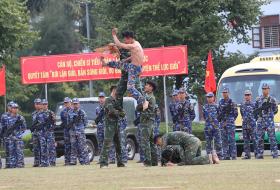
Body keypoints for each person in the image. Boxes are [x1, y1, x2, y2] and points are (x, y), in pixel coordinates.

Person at [101, 28, 148, 110]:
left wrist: (114, 35)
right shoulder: (137, 43)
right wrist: (126, 60)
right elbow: (135, 55)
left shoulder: (134, 45)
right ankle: (105, 64)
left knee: (130, 88)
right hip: (133, 66)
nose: (125, 41)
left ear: (129, 38)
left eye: (125, 40)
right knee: (121, 64)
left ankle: (143, 101)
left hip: (134, 69)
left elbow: (119, 44)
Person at [99, 85, 125, 168]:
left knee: (118, 144)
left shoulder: (116, 101)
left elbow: (123, 113)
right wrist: (118, 112)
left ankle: (120, 162)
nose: (118, 92)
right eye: (117, 90)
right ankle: (103, 163)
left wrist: (118, 112)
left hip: (116, 124)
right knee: (107, 143)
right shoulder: (108, 100)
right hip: (109, 125)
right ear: (114, 90)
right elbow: (112, 111)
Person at [255, 83, 278, 159]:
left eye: (266, 89)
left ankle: (275, 154)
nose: (264, 90)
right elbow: (256, 110)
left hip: (269, 122)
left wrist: (269, 116)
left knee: (272, 138)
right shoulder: (258, 99)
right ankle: (259, 155)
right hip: (260, 121)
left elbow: (275, 110)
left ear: (269, 89)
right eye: (263, 89)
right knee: (259, 139)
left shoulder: (272, 99)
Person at [138, 81, 158, 167]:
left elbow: (149, 112)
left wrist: (141, 109)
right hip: (148, 123)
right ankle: (154, 161)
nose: (145, 86)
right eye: (145, 85)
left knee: (145, 142)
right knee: (151, 142)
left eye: (147, 85)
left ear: (151, 88)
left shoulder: (151, 98)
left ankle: (147, 161)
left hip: (146, 123)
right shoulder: (146, 97)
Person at [1, 103, 26, 168]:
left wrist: (19, 135)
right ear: (11, 109)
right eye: (14, 108)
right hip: (9, 138)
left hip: (18, 138)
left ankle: (20, 164)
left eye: (16, 108)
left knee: (19, 151)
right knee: (10, 151)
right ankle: (11, 164)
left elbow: (24, 128)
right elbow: (3, 127)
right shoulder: (6, 117)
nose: (15, 109)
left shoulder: (21, 118)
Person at [95, 92, 116, 164]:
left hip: (107, 128)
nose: (101, 99)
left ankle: (112, 158)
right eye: (100, 98)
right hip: (100, 128)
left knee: (109, 143)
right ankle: (102, 159)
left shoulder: (108, 106)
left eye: (102, 98)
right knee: (100, 144)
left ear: (105, 98)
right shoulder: (97, 108)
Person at [218, 87, 238, 160]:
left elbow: (236, 113)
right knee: (224, 140)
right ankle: (226, 155)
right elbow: (218, 112)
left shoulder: (232, 102)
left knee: (232, 139)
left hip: (230, 123)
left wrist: (230, 120)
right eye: (223, 93)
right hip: (223, 123)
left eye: (226, 92)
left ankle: (233, 155)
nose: (224, 94)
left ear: (228, 93)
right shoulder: (220, 102)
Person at [68, 98, 90, 165]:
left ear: (79, 104)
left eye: (76, 104)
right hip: (72, 132)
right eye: (74, 104)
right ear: (72, 104)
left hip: (80, 132)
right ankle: (73, 161)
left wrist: (81, 129)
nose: (75, 105)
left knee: (82, 147)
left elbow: (86, 123)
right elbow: (68, 122)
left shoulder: (82, 112)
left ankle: (85, 161)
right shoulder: (70, 112)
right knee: (73, 146)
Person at [202, 92, 222, 162]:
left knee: (218, 142)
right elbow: (204, 116)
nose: (209, 98)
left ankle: (219, 156)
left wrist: (215, 122)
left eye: (210, 97)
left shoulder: (217, 106)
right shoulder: (205, 107)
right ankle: (209, 157)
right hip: (208, 127)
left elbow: (220, 115)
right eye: (208, 97)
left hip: (216, 126)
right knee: (208, 142)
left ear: (213, 98)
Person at [240, 90, 257, 159]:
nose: (247, 96)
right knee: (246, 141)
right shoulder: (242, 105)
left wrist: (252, 121)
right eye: (246, 95)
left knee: (255, 140)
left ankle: (257, 154)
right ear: (244, 96)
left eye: (248, 95)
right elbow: (242, 113)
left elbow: (256, 114)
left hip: (252, 125)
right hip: (245, 125)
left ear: (251, 96)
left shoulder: (254, 104)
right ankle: (247, 155)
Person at [41, 99, 56, 166]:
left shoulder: (51, 113)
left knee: (51, 148)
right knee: (43, 148)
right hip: (42, 133)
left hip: (49, 132)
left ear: (47, 105)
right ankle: (44, 162)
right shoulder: (39, 114)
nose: (44, 105)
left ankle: (52, 162)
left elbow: (54, 123)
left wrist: (51, 128)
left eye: (45, 104)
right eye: (43, 104)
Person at [60, 97, 72, 165]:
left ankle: (73, 160)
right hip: (66, 131)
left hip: (73, 131)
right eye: (65, 103)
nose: (66, 104)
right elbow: (63, 121)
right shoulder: (62, 112)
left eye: (67, 102)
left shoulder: (73, 110)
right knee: (67, 146)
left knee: (73, 146)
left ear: (70, 103)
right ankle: (67, 161)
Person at [30, 98, 42, 167]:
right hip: (35, 133)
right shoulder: (33, 114)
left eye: (39, 104)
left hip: (42, 133)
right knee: (36, 148)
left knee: (42, 148)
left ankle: (43, 161)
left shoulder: (44, 112)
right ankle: (36, 162)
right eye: (36, 104)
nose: (37, 105)